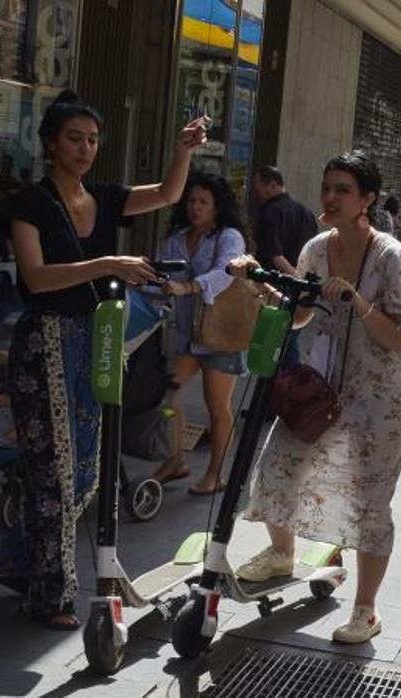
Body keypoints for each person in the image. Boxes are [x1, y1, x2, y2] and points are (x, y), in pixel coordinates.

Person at [0, 90, 207, 631]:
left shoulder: (102, 196)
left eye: (94, 139)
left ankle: (13, 558)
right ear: (51, 143)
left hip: (95, 338)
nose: (85, 148)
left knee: (85, 472)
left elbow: (169, 192)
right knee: (53, 470)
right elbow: (36, 277)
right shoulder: (29, 204)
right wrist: (109, 263)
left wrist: (183, 150)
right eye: (75, 138)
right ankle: (51, 595)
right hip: (44, 343)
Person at [231, 150, 401, 644]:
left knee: (370, 500)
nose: (331, 197)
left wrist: (359, 303)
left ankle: (365, 609)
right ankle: (281, 554)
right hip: (320, 389)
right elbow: (300, 315)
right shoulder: (316, 249)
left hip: (380, 399)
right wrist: (259, 285)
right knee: (279, 465)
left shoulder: (391, 257)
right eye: (327, 187)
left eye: (343, 189)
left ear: (367, 199)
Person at [153, 173, 250, 496]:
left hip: (220, 334)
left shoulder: (229, 236)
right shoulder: (178, 238)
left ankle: (215, 473)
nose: (195, 207)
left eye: (203, 202)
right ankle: (176, 458)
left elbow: (226, 272)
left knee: (217, 407)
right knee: (169, 396)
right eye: (191, 201)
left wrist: (190, 287)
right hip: (188, 335)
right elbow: (162, 275)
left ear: (217, 206)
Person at [251, 165, 318, 277]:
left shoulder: (269, 212)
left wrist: (295, 278)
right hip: (302, 279)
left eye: (257, 190)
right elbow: (314, 253)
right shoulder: (306, 212)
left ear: (273, 186)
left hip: (273, 281)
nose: (255, 196)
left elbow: (275, 256)